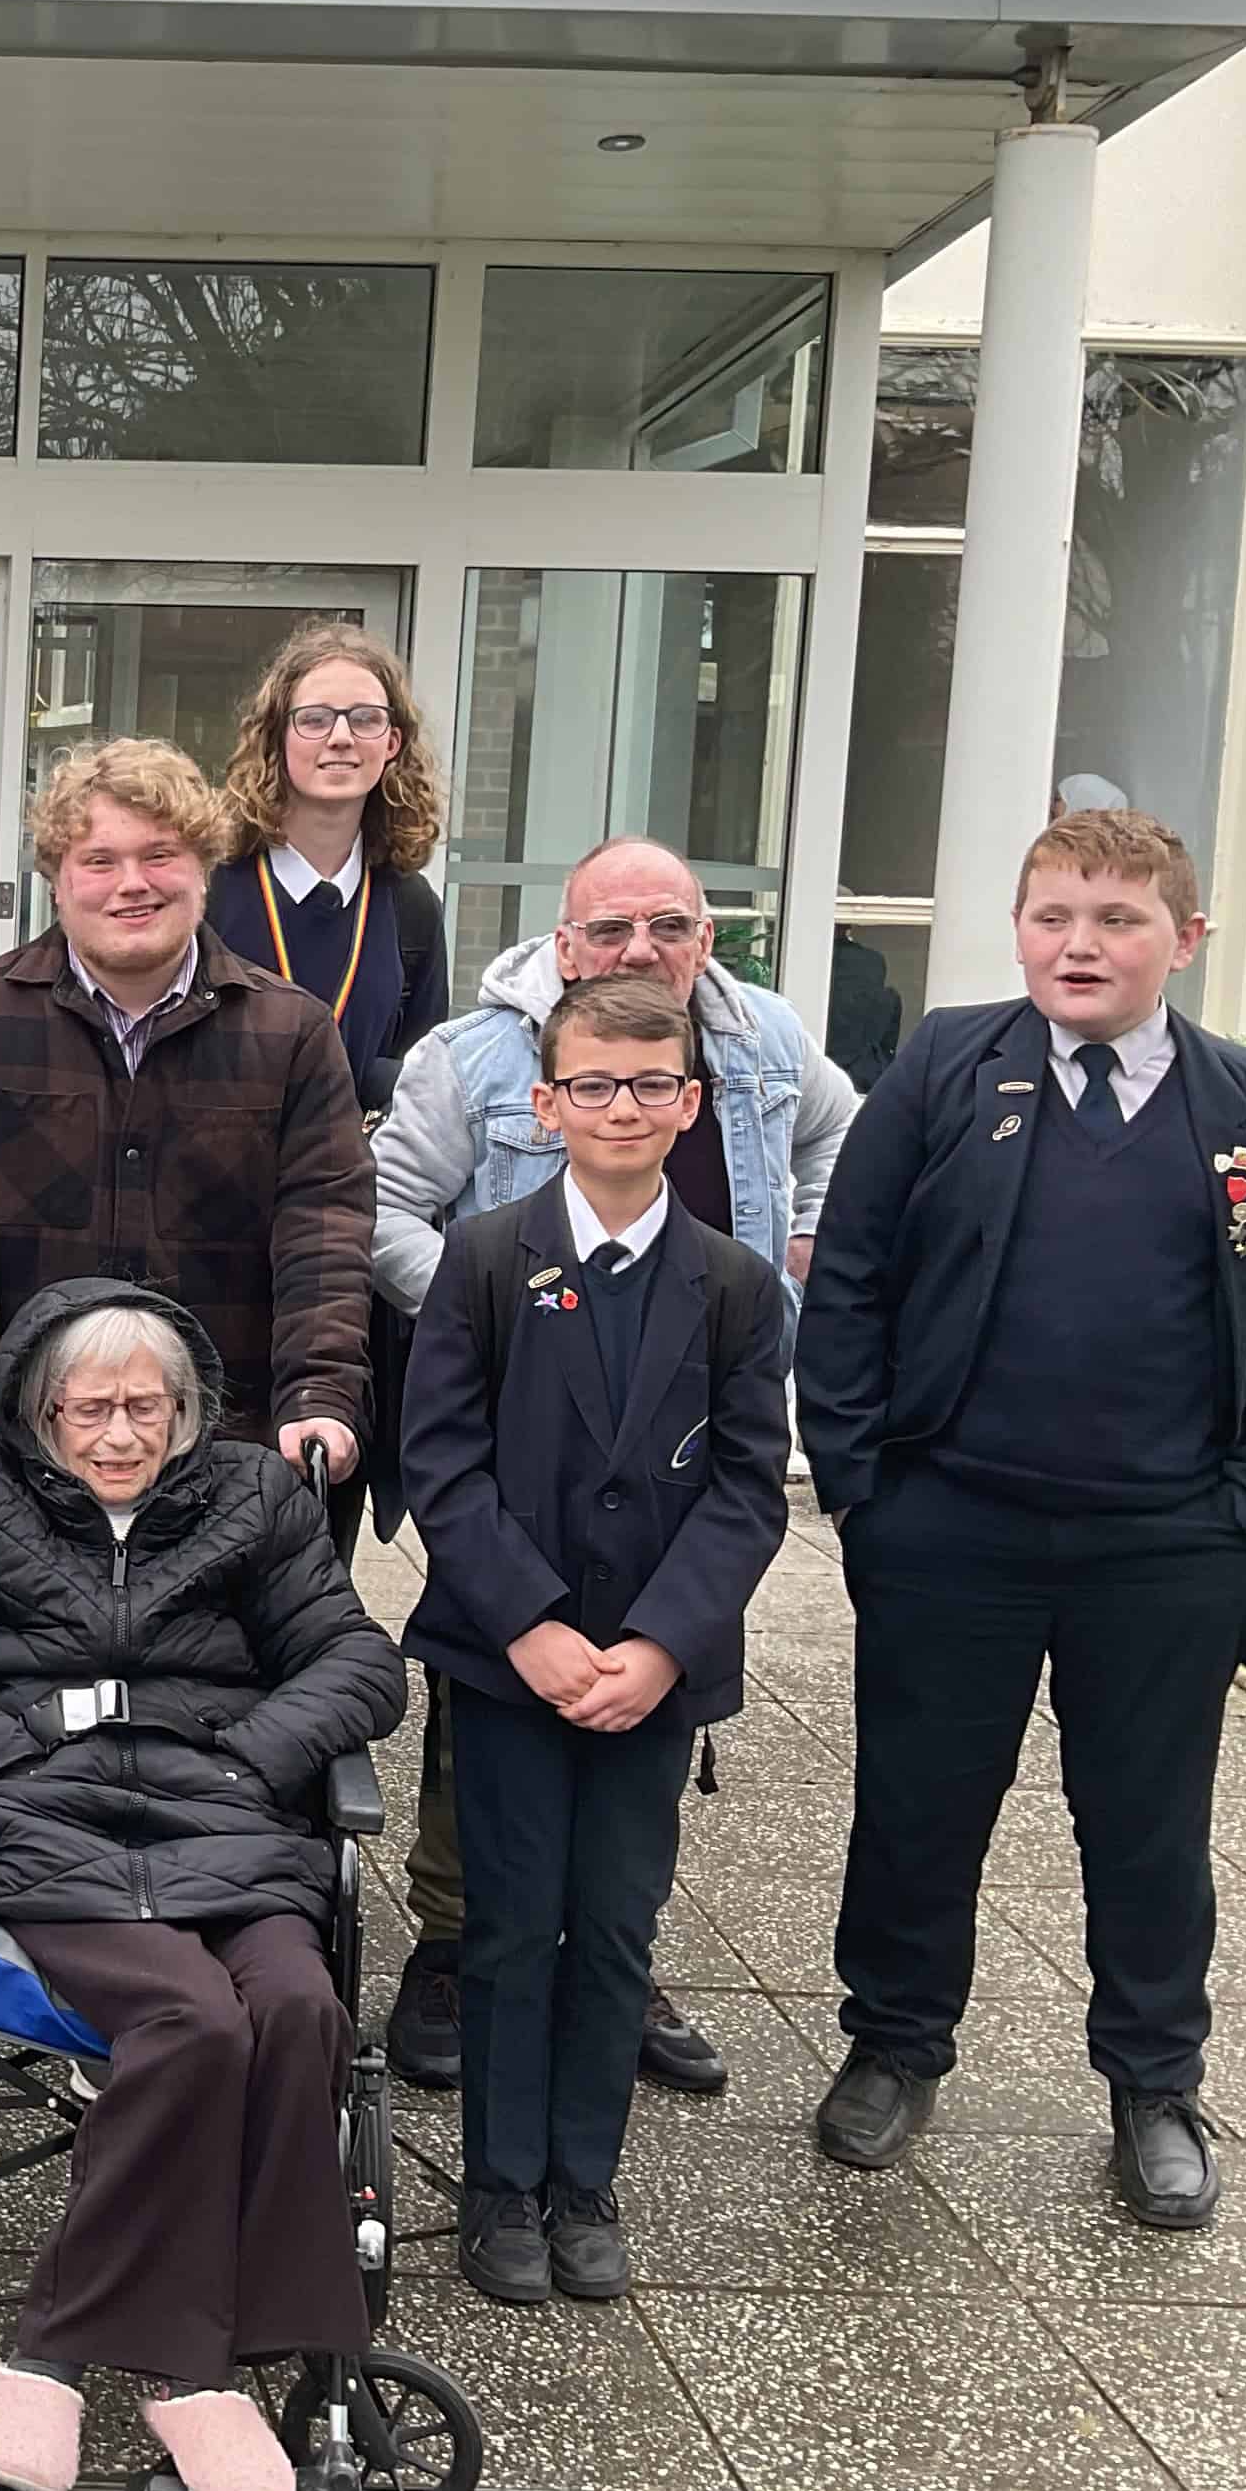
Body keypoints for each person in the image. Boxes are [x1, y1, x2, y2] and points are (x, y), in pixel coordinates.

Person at [800, 808, 1246, 2232]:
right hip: (953, 1525)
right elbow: (851, 1277)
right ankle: (894, 2044)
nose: (1080, 945)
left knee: (1147, 1824)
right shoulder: (942, 1068)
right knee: (920, 1809)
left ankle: (1155, 2083)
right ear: (1019, 930)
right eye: (1054, 915)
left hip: (1169, 1544)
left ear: (1185, 940)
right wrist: (866, 1491)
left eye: (1117, 920)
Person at [0, 1279, 401, 2491]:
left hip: (228, 1823)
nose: (120, 1434)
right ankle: (128, 2369)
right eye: (89, 1408)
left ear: (189, 1409)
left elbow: (359, 1659)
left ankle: (199, 2357)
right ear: (40, 1411)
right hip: (49, 1830)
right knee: (194, 2023)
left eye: (149, 1407)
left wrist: (252, 1757)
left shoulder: (254, 1497)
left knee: (300, 2009)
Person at [366, 835, 857, 2100]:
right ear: (561, 944)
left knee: (637, 1713)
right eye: (610, 929)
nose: (641, 949)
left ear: (705, 937)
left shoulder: (768, 1044)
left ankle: (614, 1967)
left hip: (679, 1413)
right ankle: (455, 1945)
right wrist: (494, 1312)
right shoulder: (473, 1058)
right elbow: (380, 1209)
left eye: (669, 925)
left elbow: (845, 1144)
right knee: (492, 1704)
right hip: (526, 1423)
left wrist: (798, 1256)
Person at [394, 977, 792, 2307]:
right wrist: (533, 1627)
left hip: (651, 1680)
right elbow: (443, 1464)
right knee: (509, 1928)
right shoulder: (487, 1261)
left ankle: (584, 2181)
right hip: (512, 1669)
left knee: (615, 1925)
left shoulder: (734, 1285)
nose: (622, 1108)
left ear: (690, 1105)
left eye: (650, 1086)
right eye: (593, 1086)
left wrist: (666, 1645)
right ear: (544, 1103)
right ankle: (502, 2184)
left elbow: (748, 1484)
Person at [0, 736, 372, 1481]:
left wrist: (318, 1390)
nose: (132, 884)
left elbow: (324, 1227)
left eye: (160, 856)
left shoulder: (292, 1033)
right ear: (57, 879)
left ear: (203, 870)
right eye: (100, 860)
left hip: (230, 1445)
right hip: (29, 1439)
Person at [205, 622, 455, 1572]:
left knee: (317, 1517)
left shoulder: (410, 906)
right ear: (276, 738)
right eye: (315, 718)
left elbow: (423, 1082)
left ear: (393, 743)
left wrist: (365, 1095)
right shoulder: (216, 888)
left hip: (337, 1229)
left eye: (364, 717)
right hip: (218, 1220)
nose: (340, 737)